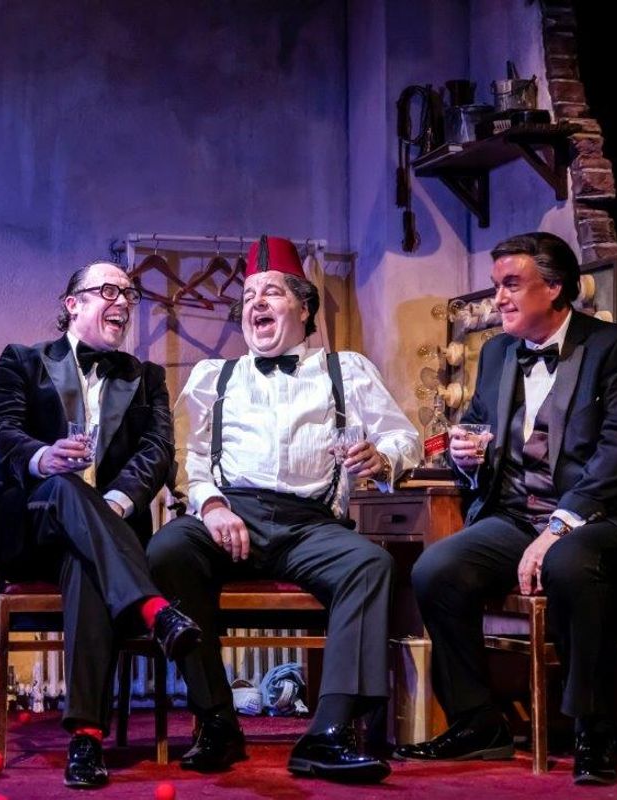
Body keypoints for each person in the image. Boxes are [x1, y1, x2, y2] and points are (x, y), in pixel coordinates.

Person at [396, 232, 617, 786]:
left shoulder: (615, 349)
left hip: (606, 516)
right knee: (436, 571)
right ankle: (479, 723)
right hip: (519, 516)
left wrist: (560, 525)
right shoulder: (497, 353)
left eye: (511, 284)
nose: (498, 298)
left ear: (554, 287)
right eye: (496, 285)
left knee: (570, 561)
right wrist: (467, 456)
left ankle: (595, 726)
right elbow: (480, 429)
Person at [147, 235, 421, 785]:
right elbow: (186, 458)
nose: (256, 304)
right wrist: (211, 504)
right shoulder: (213, 377)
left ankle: (328, 733)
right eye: (249, 296)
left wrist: (382, 455)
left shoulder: (346, 370)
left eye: (271, 292)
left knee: (370, 564)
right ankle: (216, 719)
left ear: (303, 306)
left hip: (311, 525)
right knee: (168, 548)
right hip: (231, 517)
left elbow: (405, 437)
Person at [0, 260, 201, 790]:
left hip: (104, 530)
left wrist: (113, 503)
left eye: (129, 294)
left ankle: (86, 739)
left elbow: (157, 451)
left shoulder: (145, 377)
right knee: (66, 486)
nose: (123, 301)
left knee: (87, 562)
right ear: (73, 304)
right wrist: (43, 457)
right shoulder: (21, 360)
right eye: (109, 290)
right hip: (29, 523)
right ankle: (154, 609)